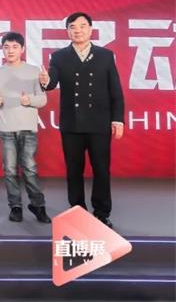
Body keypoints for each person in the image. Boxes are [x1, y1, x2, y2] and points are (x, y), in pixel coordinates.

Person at [39, 12, 124, 228]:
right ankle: (77, 211)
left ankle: (102, 212)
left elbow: (115, 90)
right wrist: (45, 80)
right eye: (73, 27)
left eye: (82, 26)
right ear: (67, 31)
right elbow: (51, 83)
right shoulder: (59, 56)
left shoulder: (105, 55)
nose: (78, 30)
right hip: (72, 124)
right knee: (74, 170)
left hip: (99, 123)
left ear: (91, 29)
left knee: (101, 169)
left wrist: (118, 119)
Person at [0, 31, 50, 223]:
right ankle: (15, 207)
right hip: (6, 129)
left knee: (30, 169)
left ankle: (38, 206)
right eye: (6, 47)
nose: (10, 50)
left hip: (28, 129)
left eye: (15, 47)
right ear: (2, 50)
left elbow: (42, 100)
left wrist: (28, 100)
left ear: (22, 49)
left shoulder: (34, 71)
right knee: (10, 170)